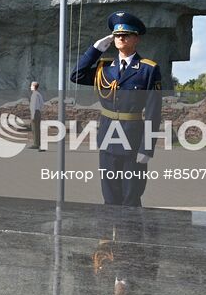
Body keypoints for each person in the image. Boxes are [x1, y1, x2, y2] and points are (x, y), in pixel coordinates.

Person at [70, 12, 163, 207]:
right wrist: (95, 50)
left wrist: (147, 147)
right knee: (110, 197)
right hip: (108, 139)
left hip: (133, 140)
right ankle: (108, 238)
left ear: (136, 38)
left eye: (126, 35)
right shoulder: (104, 68)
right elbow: (76, 75)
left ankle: (132, 237)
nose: (120, 38)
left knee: (131, 197)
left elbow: (154, 113)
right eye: (117, 35)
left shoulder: (148, 69)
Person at [28, 80, 44, 149]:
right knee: (37, 129)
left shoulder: (34, 95)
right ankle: (38, 143)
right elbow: (42, 104)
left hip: (35, 112)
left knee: (35, 129)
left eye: (31, 85)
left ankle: (36, 144)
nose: (30, 87)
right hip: (38, 112)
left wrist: (32, 115)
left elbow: (33, 106)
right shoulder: (38, 94)